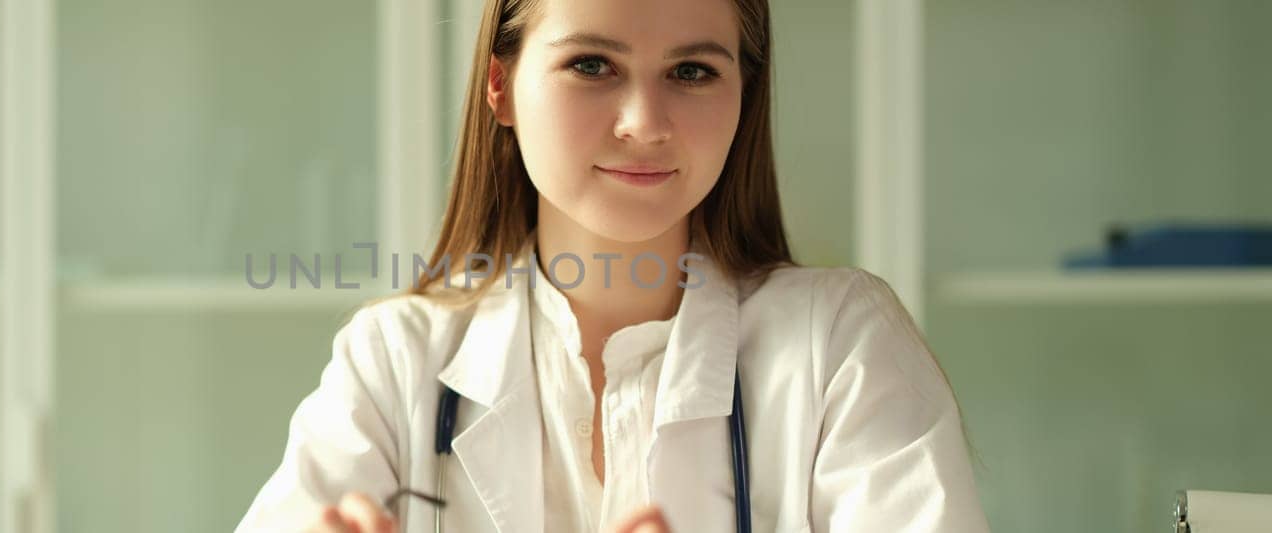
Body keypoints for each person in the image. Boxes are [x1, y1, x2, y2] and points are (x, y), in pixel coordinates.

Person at [239, 0, 989, 530]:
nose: (646, 123)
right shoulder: (395, 361)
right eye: (592, 64)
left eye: (693, 71)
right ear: (500, 86)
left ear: (744, 93)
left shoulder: (840, 346)